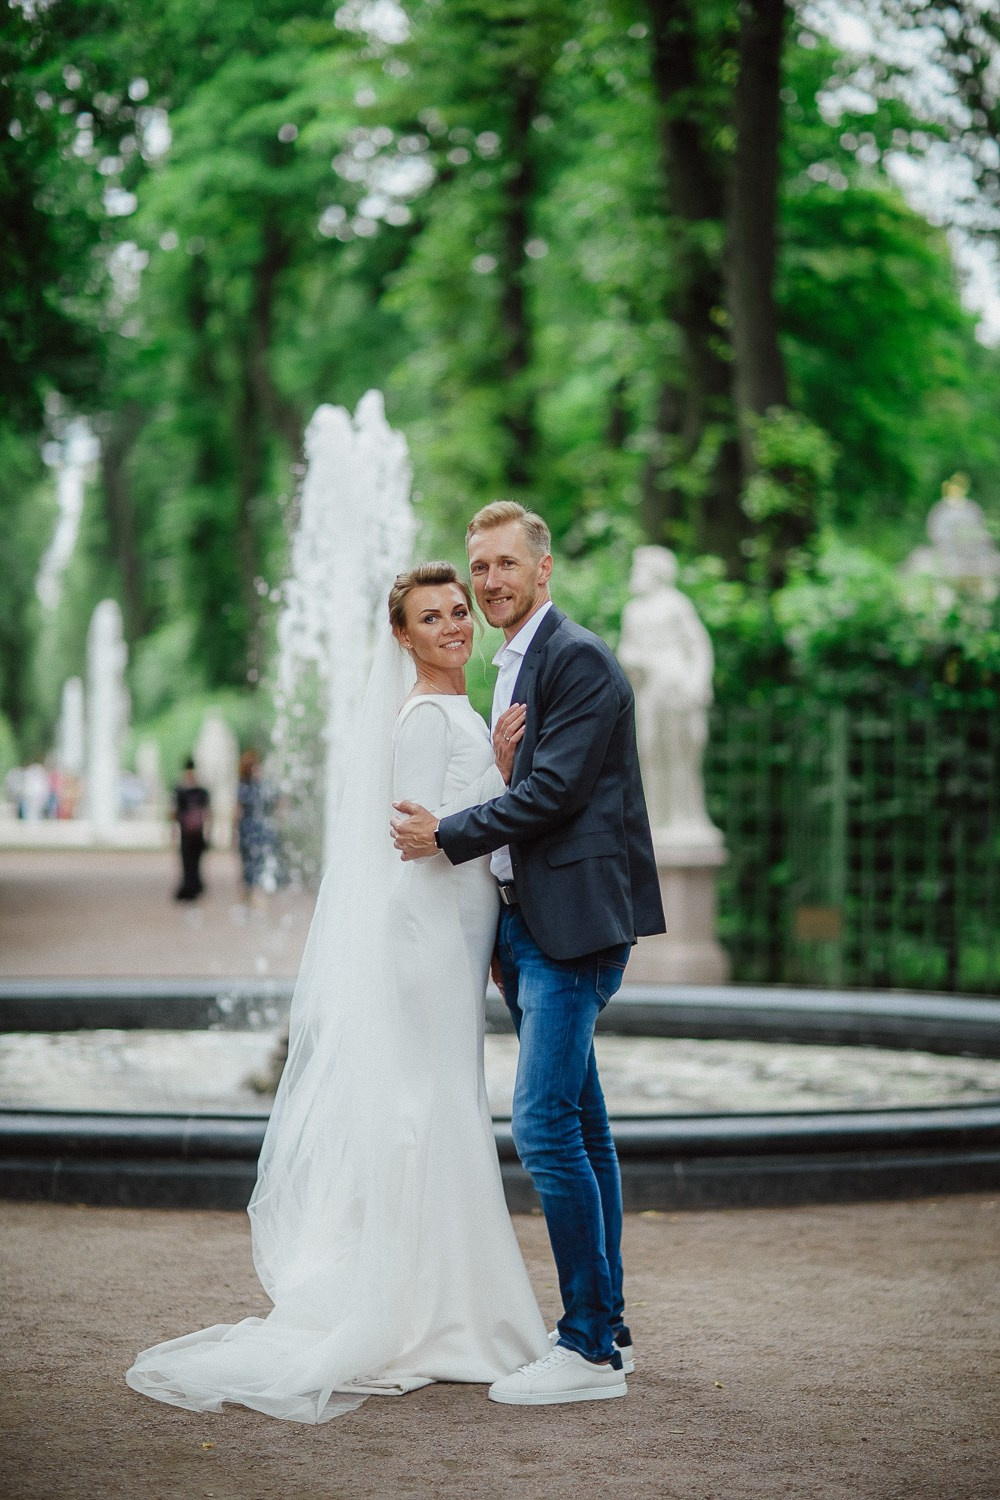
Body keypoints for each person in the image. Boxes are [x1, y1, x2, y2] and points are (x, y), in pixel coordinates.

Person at [126, 562, 548, 1423]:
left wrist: (495, 770)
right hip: (428, 935)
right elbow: (423, 838)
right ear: (403, 638)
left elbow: (450, 825)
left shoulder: (454, 709)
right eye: (431, 618)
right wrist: (503, 779)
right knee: (431, 1107)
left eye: (458, 611)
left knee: (438, 1103)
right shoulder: (428, 715)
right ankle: (430, 1314)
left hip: (453, 934)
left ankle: (444, 1299)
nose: (454, 626)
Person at [391, 502, 665, 1407]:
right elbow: (532, 785)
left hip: (577, 928)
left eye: (508, 564)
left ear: (543, 570)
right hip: (534, 925)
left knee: (543, 1125)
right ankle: (609, 1332)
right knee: (583, 1128)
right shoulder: (514, 664)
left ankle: (585, 1348)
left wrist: (448, 835)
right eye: (482, 568)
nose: (491, 582)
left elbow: (553, 793)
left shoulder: (576, 657)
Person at [172, 757, 211, 902]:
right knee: (189, 862)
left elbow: (176, 814)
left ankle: (191, 888)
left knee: (191, 862)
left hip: (191, 833)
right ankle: (191, 887)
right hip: (191, 832)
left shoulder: (183, 791)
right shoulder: (198, 791)